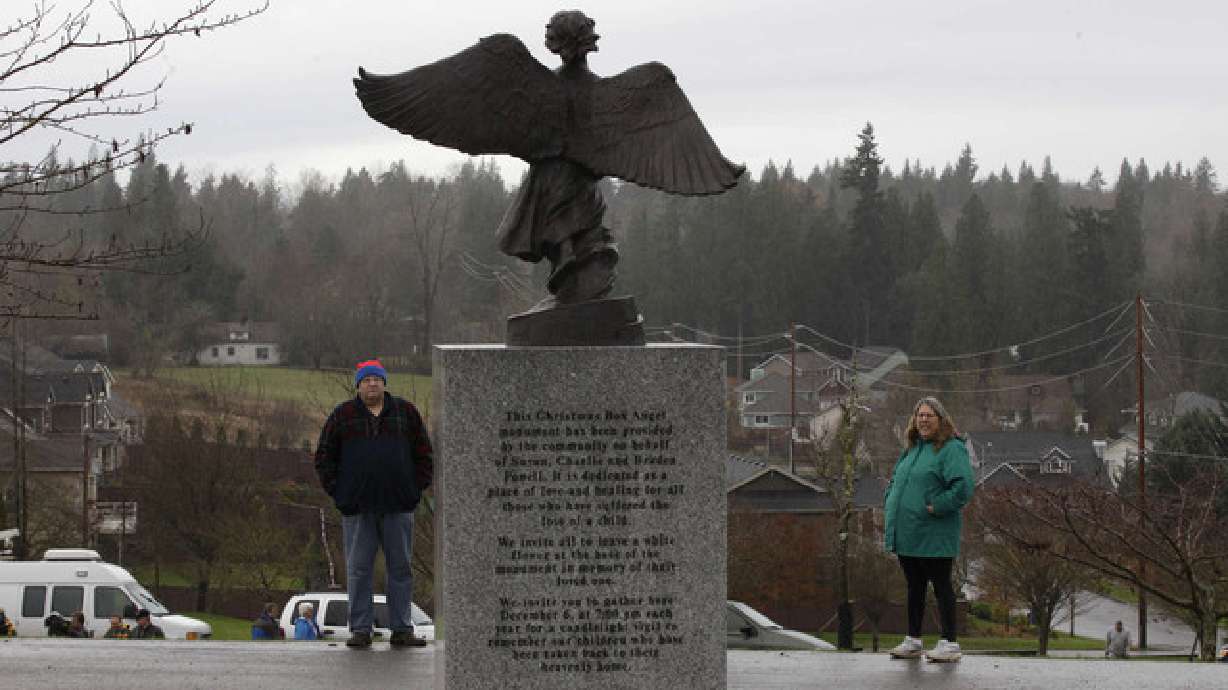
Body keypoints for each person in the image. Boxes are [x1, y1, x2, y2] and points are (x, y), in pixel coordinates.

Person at [315, 359, 433, 649]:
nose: (372, 384)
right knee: (358, 570)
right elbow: (324, 457)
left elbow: (424, 454)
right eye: (366, 380)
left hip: (398, 507)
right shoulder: (343, 415)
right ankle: (360, 630)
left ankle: (402, 629)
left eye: (377, 379)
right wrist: (340, 494)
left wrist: (413, 490)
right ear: (358, 385)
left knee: (401, 569)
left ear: (384, 383)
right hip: (358, 509)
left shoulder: (405, 412)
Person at [883, 396, 975, 662]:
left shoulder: (951, 448)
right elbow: (897, 481)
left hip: (934, 533)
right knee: (914, 586)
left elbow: (963, 487)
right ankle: (913, 640)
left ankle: (950, 643)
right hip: (908, 532)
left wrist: (937, 506)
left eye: (929, 415)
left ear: (941, 419)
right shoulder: (912, 449)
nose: (923, 420)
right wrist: (890, 500)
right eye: (919, 415)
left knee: (942, 586)